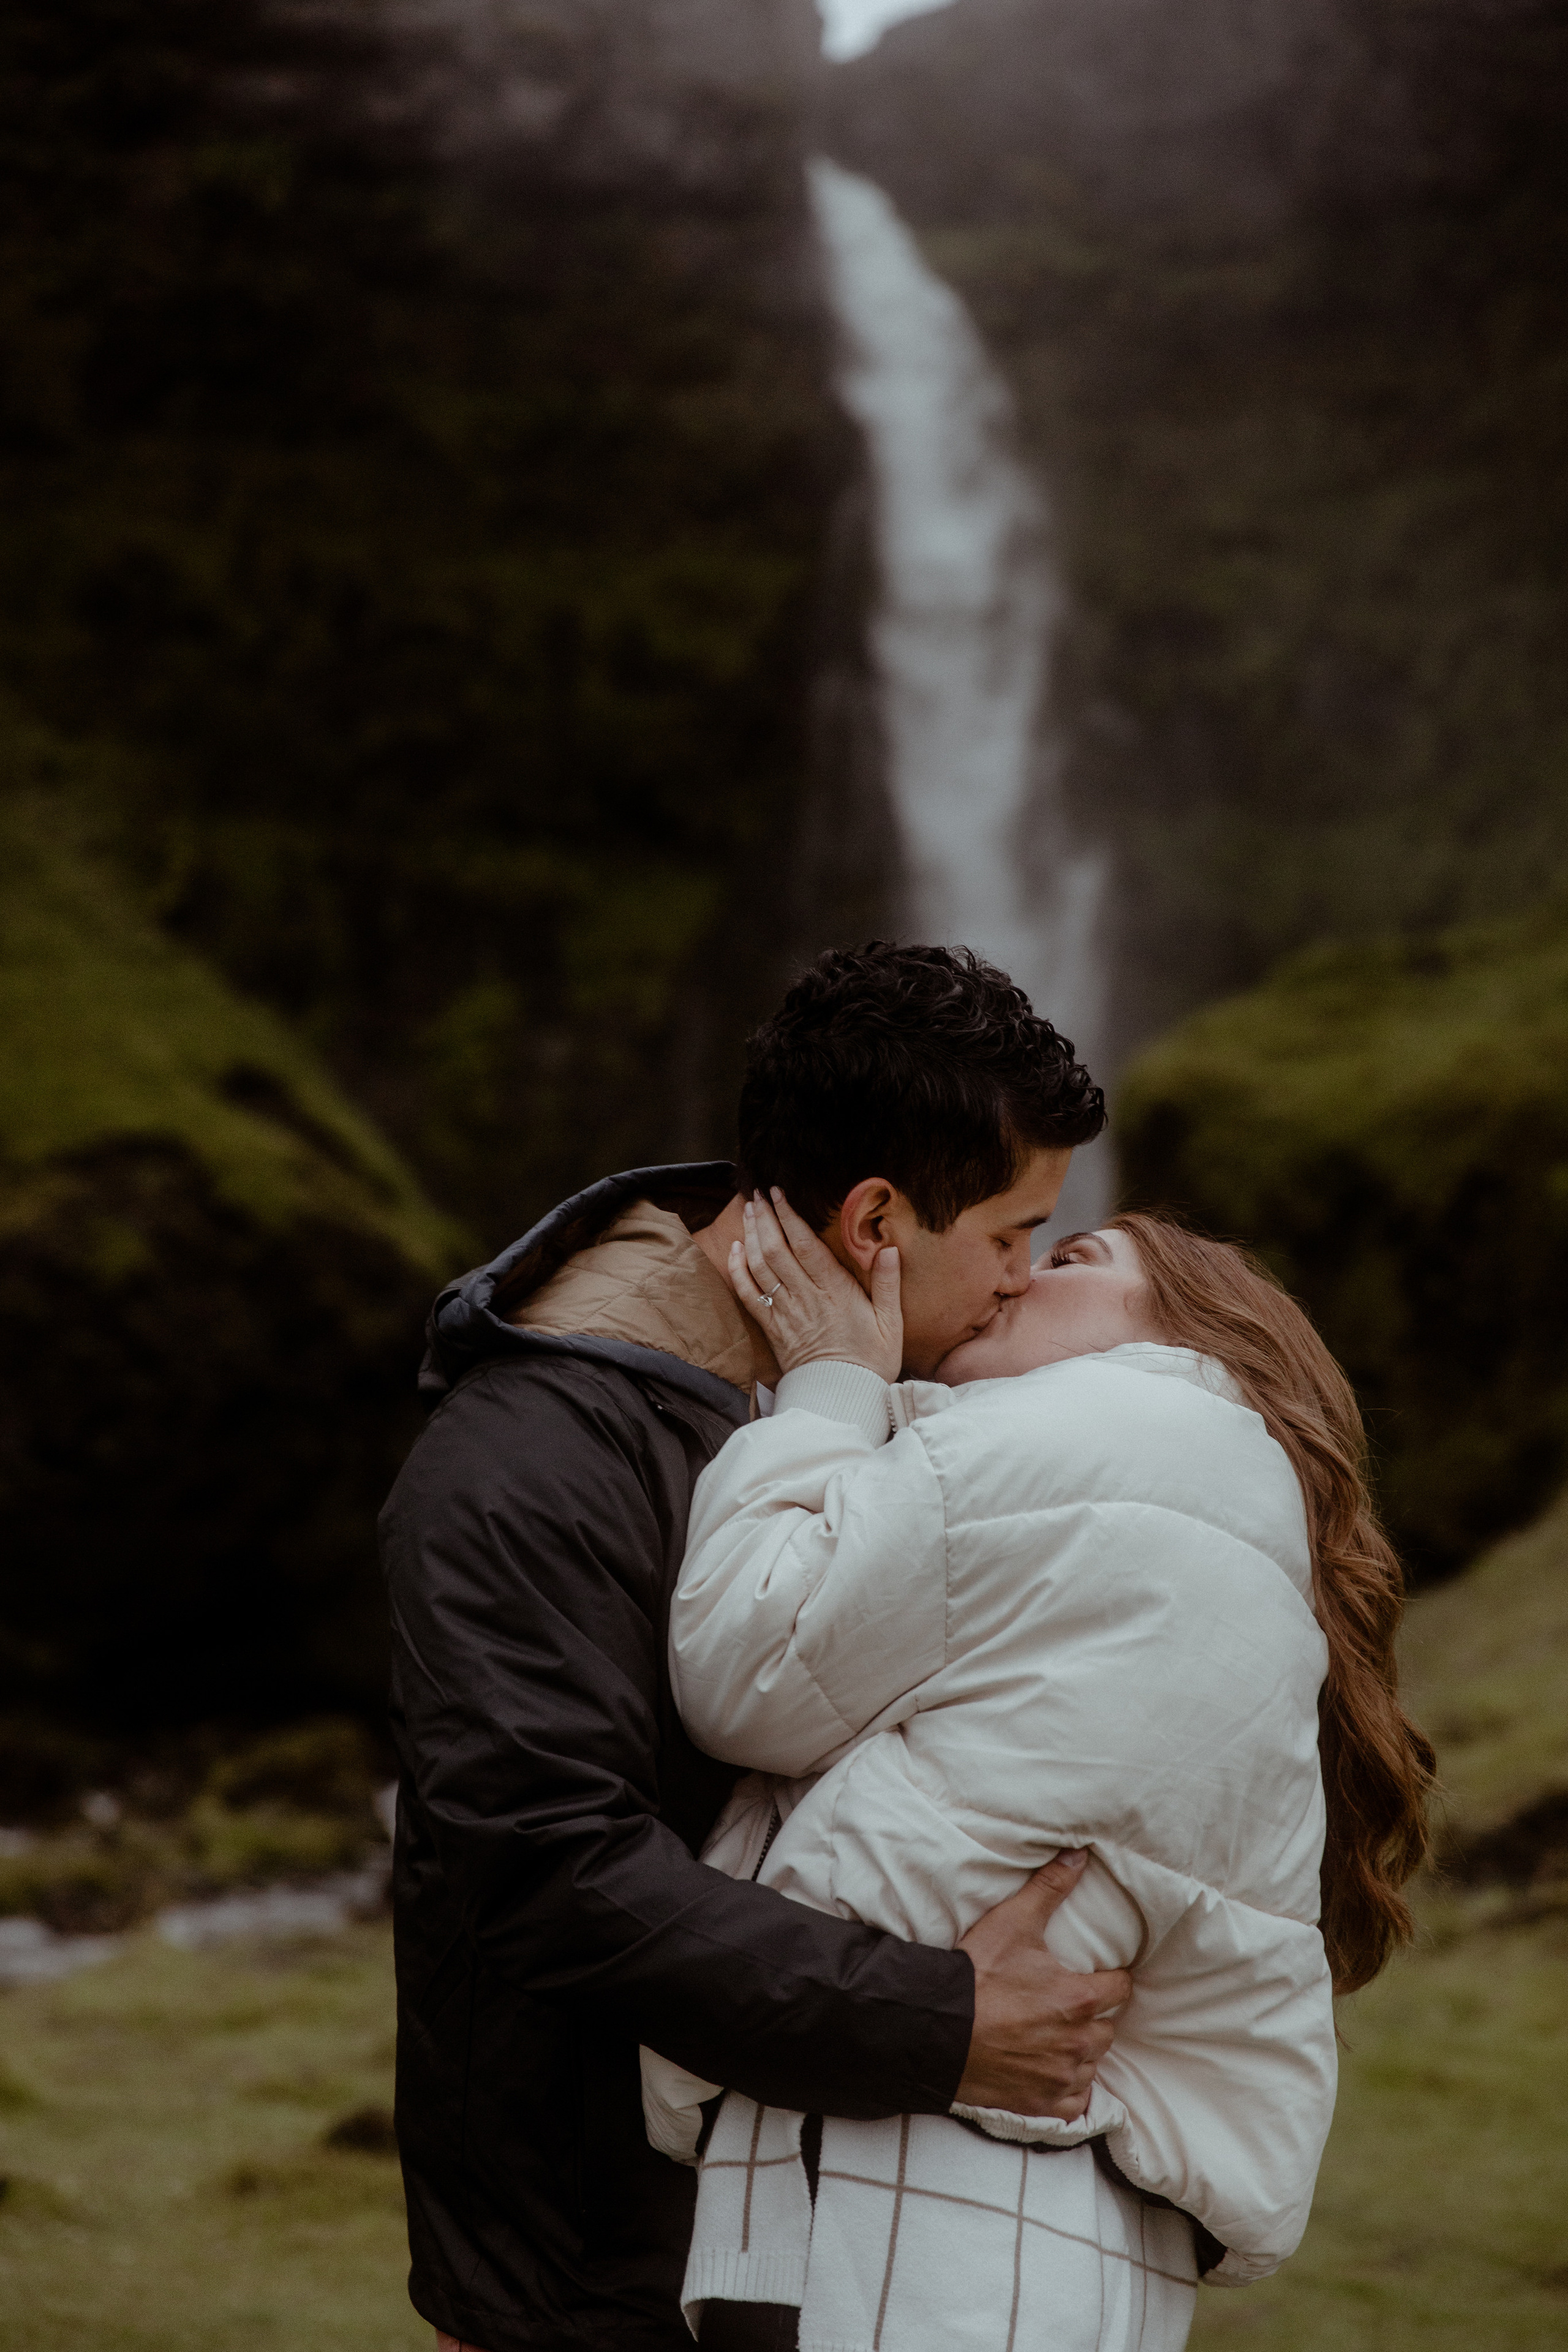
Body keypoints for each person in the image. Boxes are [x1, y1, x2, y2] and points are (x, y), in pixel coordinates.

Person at [380, 943, 1117, 2352]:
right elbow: (550, 1867)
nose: (1026, 1285)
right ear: (876, 1220)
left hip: (841, 2233)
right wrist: (940, 2021)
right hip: (591, 2280)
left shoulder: (883, 1402)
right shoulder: (524, 1463)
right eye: (1013, 1235)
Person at [646, 1196, 1436, 2351]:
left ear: (1194, 1334)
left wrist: (832, 1384)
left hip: (900, 2205)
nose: (1012, 1279)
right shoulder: (1241, 1538)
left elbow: (744, 1659)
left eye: (1069, 1257)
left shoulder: (1092, 1433)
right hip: (1090, 2239)